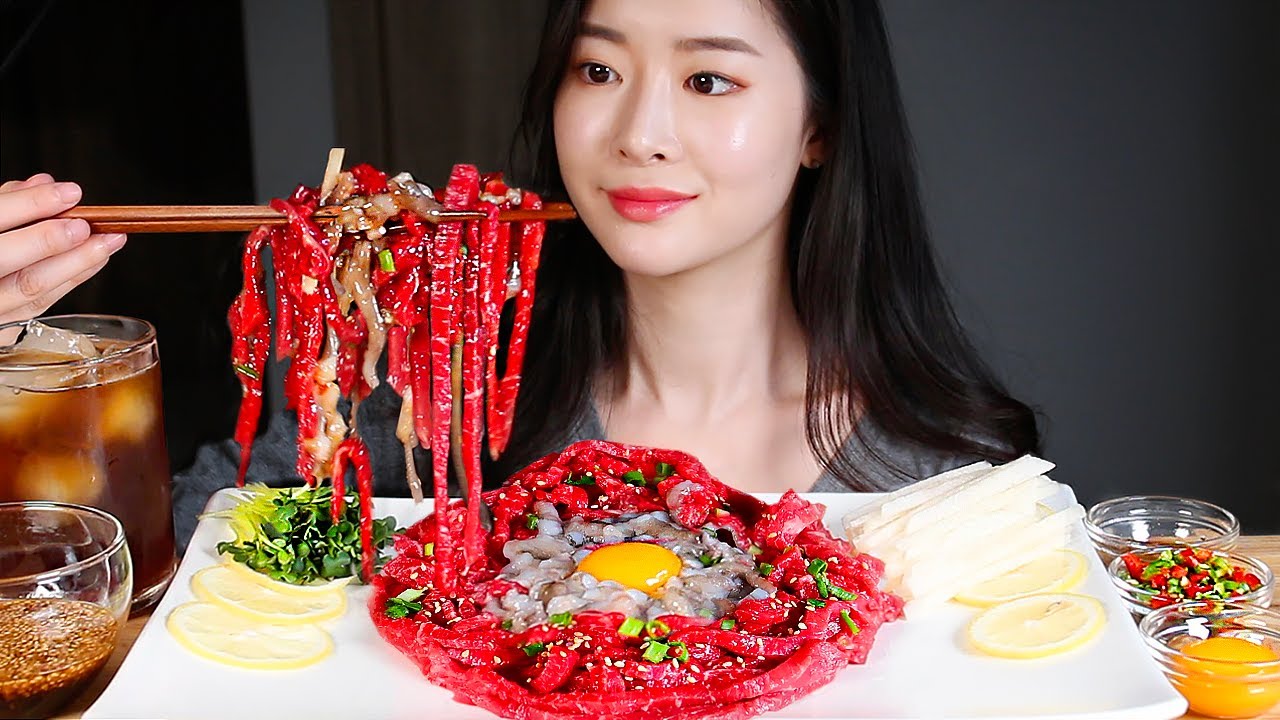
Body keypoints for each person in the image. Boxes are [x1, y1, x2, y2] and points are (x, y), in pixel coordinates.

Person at [0, 0, 1039, 550]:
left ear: (820, 125)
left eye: (708, 77)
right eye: (598, 69)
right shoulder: (417, 392)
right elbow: (146, 570)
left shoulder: (951, 479)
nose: (638, 132)